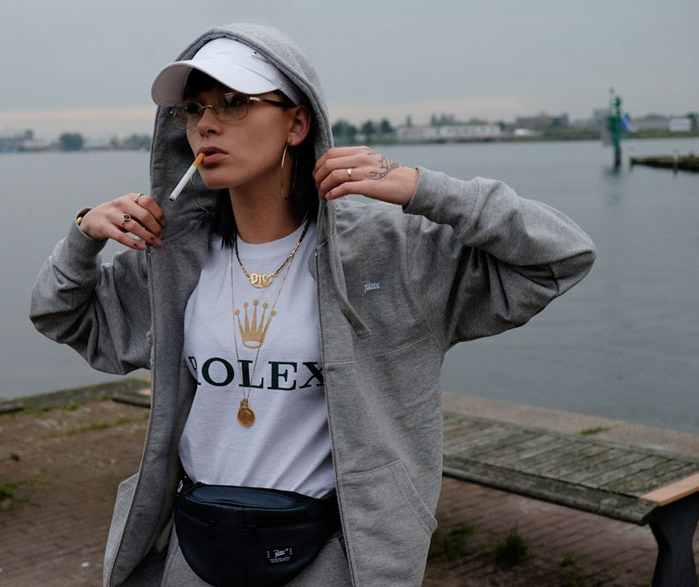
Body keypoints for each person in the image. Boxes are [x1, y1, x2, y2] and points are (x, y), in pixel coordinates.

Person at [30, 23, 595, 587]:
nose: (206, 124)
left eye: (234, 102)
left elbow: (560, 256)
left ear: (297, 123)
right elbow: (62, 316)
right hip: (198, 547)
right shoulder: (174, 258)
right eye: (193, 108)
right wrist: (84, 237)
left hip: (328, 555)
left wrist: (423, 188)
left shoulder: (385, 253)